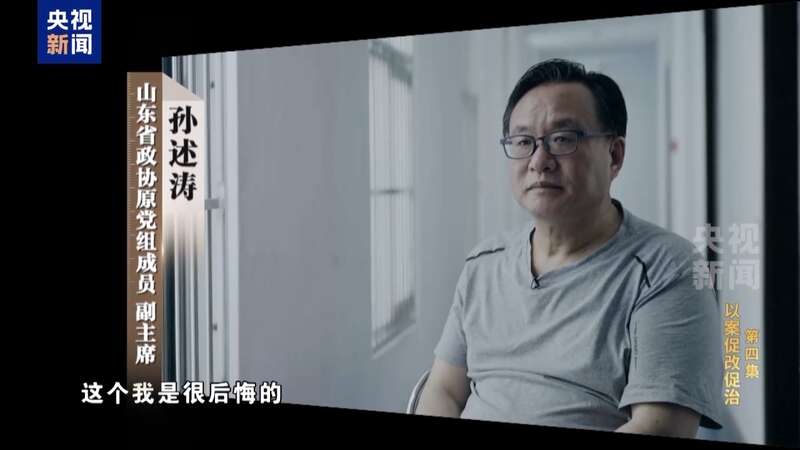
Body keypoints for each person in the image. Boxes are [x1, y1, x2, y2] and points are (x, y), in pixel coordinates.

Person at [415, 58, 723, 438]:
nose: (539, 161)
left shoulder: (669, 269)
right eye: (523, 142)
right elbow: (444, 389)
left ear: (614, 155)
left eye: (563, 139)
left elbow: (661, 426)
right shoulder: (483, 265)